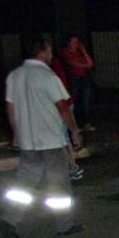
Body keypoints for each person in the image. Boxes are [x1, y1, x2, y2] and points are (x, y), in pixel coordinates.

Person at [0, 36, 84, 238]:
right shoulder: (48, 76)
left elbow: (10, 107)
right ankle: (64, 224)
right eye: (50, 51)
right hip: (50, 139)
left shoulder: (15, 76)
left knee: (24, 182)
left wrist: (16, 132)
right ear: (43, 51)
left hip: (28, 139)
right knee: (59, 184)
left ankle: (10, 218)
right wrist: (74, 130)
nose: (51, 55)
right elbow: (62, 107)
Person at [50, 52, 84, 181]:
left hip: (61, 103)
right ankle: (72, 166)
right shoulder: (55, 65)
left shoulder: (51, 68)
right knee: (64, 136)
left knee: (62, 137)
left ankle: (72, 166)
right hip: (65, 101)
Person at [60, 34, 95, 131]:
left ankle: (86, 123)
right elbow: (72, 63)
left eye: (77, 42)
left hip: (83, 78)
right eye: (74, 42)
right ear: (68, 43)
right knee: (73, 101)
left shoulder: (80, 53)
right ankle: (74, 124)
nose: (76, 44)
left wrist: (84, 52)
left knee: (85, 101)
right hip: (73, 78)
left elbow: (90, 64)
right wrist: (85, 65)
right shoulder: (66, 52)